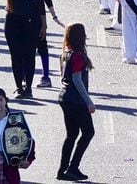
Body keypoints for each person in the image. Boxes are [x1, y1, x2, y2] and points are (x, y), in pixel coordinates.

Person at [56, 23, 95, 182]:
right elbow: (77, 80)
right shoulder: (78, 55)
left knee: (71, 135)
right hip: (76, 100)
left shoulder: (65, 54)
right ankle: (73, 167)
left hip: (65, 97)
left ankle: (62, 170)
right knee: (88, 132)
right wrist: (88, 101)